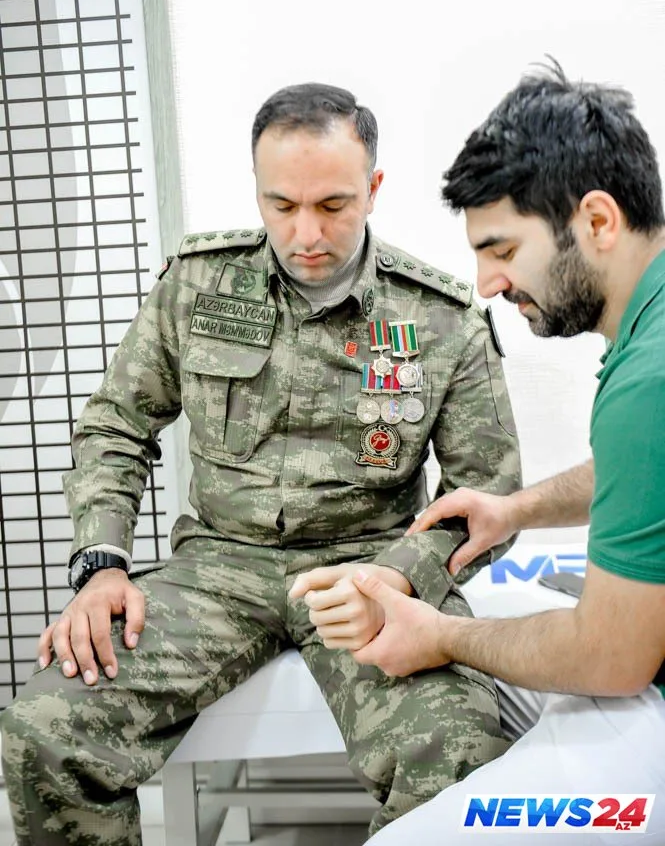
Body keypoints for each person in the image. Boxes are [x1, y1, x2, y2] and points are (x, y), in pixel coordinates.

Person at [1, 83, 521, 846]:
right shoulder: (199, 286)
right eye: (281, 205)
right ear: (256, 188)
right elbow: (116, 424)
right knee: (45, 729)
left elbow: (486, 492)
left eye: (333, 205)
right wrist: (102, 566)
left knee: (458, 749)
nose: (305, 232)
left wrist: (404, 574)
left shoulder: (438, 320)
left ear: (373, 189)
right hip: (217, 569)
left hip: (367, 571)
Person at [334, 64, 665, 844]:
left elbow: (610, 657)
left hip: (644, 684)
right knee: (500, 614)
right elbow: (645, 472)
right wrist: (514, 508)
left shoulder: (646, 384)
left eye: (502, 249)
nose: (485, 284)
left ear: (595, 220)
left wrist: (436, 634)